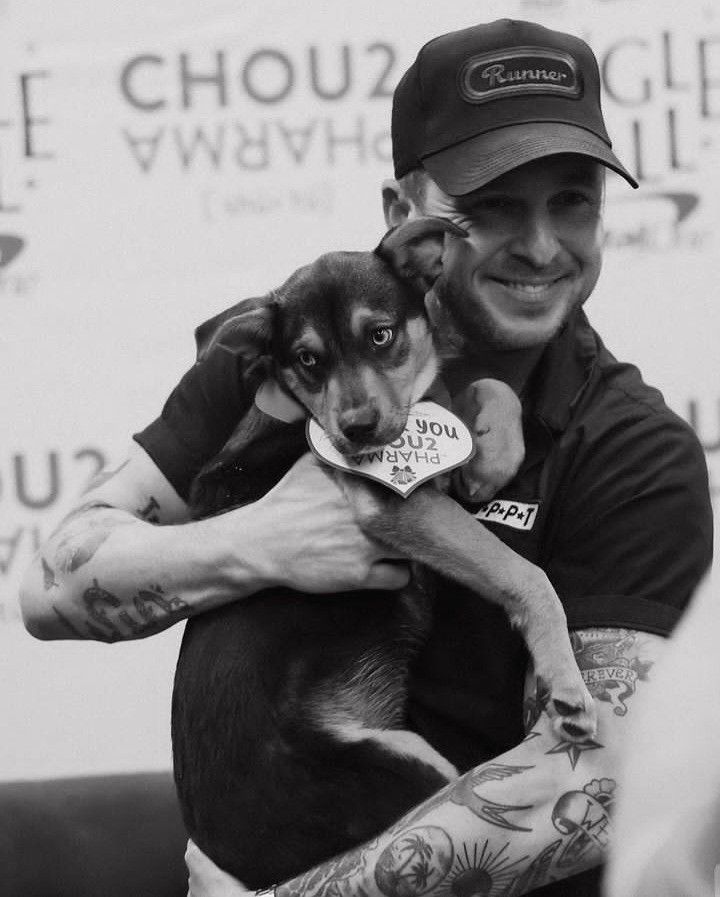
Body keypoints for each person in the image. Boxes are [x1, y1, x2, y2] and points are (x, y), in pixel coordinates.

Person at [19, 18, 712, 897]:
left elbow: (592, 783)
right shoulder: (275, 346)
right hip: (285, 796)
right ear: (406, 219)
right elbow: (48, 590)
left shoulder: (632, 448)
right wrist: (260, 543)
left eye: (572, 200)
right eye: (492, 206)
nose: (541, 246)